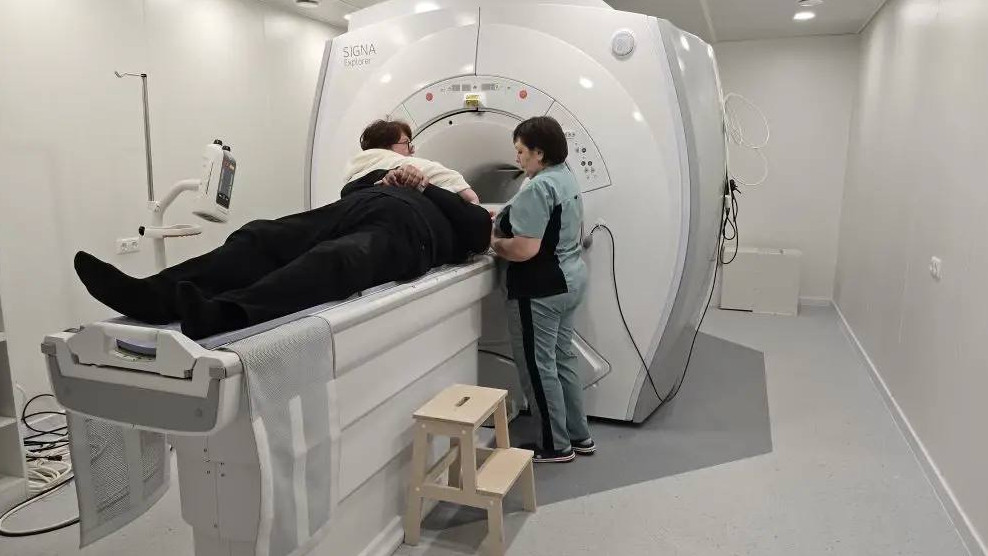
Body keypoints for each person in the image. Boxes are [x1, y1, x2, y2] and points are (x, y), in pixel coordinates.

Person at [73, 145, 492, 340]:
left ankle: (222, 313)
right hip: (351, 209)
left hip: (407, 234)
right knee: (261, 236)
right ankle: (151, 295)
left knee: (337, 259)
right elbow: (349, 192)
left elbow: (478, 231)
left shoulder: (453, 199)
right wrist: (387, 178)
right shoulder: (384, 173)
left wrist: (425, 187)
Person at [491, 116, 593, 463]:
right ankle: (579, 435)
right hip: (570, 280)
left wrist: (494, 244)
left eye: (521, 151)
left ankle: (554, 445)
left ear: (539, 152)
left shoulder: (537, 188)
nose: (517, 157)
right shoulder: (565, 176)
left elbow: (524, 249)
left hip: (541, 290)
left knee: (538, 367)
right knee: (562, 359)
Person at [344, 119, 482, 204]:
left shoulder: (353, 176)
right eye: (406, 143)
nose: (412, 150)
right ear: (386, 146)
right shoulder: (404, 165)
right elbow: (469, 196)